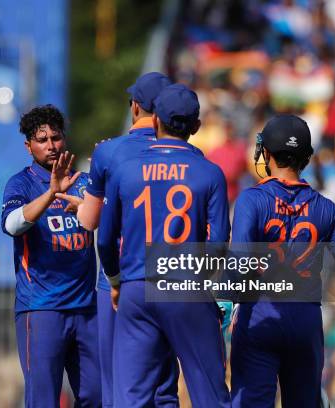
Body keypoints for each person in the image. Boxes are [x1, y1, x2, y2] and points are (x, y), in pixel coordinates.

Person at [229, 114, 335, 407]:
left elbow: (239, 258)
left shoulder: (251, 200)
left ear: (265, 153)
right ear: (307, 157)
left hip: (260, 316)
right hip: (305, 320)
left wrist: (224, 305)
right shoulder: (327, 209)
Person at [97, 84, 231, 407]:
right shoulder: (210, 173)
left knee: (131, 398)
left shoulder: (125, 170)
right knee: (209, 394)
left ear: (154, 120)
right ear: (196, 127)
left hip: (136, 288)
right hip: (187, 287)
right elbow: (218, 246)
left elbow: (104, 238)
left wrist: (115, 282)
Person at [57, 72, 180, 407]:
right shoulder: (186, 154)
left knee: (119, 383)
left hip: (120, 279)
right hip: (171, 276)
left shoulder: (109, 152)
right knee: (164, 386)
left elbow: (91, 222)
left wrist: (83, 206)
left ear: (136, 106)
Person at [1, 105, 101, 407]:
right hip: (42, 309)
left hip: (86, 309)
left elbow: (113, 221)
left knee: (97, 395)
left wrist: (88, 205)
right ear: (28, 146)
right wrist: (50, 194)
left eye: (55, 138)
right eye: (42, 139)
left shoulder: (85, 182)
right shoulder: (21, 183)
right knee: (43, 399)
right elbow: (12, 225)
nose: (50, 145)